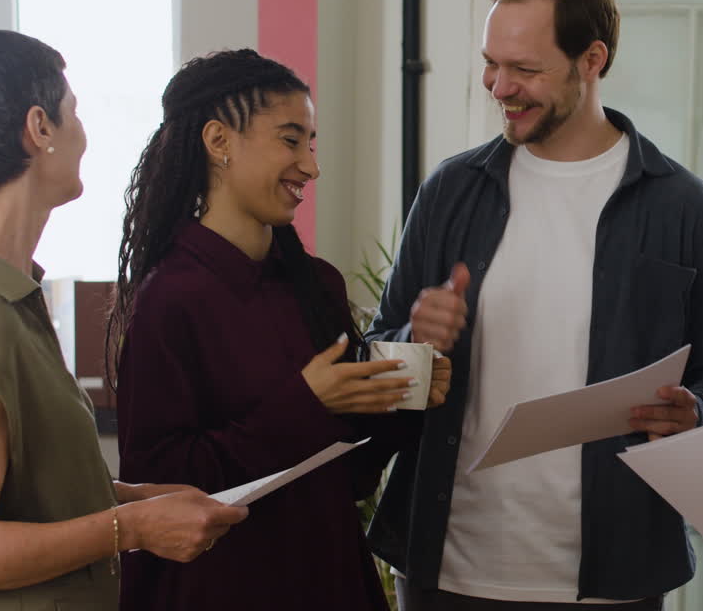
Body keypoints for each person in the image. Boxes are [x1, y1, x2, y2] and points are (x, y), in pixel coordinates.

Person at [365, 0, 703, 609]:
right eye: (491, 63)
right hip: (448, 571)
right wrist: (411, 336)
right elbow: (378, 358)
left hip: (616, 576)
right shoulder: (451, 193)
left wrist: (696, 411)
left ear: (591, 60)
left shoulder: (685, 209)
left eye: (526, 70)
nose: (499, 86)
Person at [109, 49, 450, 611]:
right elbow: (160, 486)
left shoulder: (316, 285)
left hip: (328, 576)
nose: (311, 166)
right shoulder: (169, 300)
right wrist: (307, 403)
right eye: (290, 141)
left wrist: (405, 399)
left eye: (310, 144)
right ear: (219, 141)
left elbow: (351, 475)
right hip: (222, 588)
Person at [0, 30, 247, 609]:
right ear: (38, 128)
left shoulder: (15, 294)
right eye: (73, 114)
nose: (84, 137)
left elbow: (28, 490)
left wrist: (132, 499)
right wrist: (136, 529)